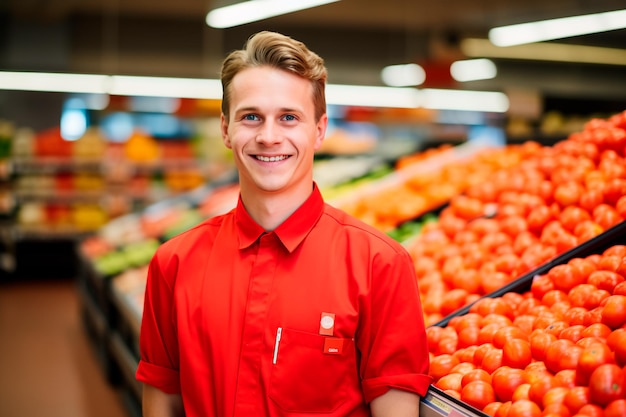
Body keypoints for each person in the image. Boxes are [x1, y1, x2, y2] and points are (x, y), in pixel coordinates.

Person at [136, 30, 431, 417]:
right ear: (226, 129)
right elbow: (162, 399)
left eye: (289, 118)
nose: (268, 136)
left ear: (319, 130)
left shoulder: (380, 265)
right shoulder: (174, 263)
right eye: (251, 117)